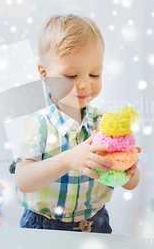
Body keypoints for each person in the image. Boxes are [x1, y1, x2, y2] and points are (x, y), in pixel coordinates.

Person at [14, 13, 140, 233]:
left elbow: (130, 183)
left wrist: (129, 170)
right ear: (44, 74)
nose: (84, 84)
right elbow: (23, 180)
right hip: (43, 226)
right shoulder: (36, 123)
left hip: (94, 224)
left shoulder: (104, 124)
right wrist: (67, 160)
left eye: (94, 74)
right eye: (71, 75)